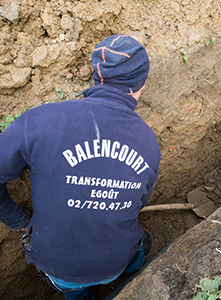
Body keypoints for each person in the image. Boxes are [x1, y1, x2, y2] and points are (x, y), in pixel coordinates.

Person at [0, 34, 161, 300]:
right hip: (118, 260)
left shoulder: (41, 121)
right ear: (141, 83)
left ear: (97, 76)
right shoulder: (148, 141)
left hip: (59, 269)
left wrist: (17, 219)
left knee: (75, 292)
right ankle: (135, 276)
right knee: (137, 248)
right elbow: (139, 202)